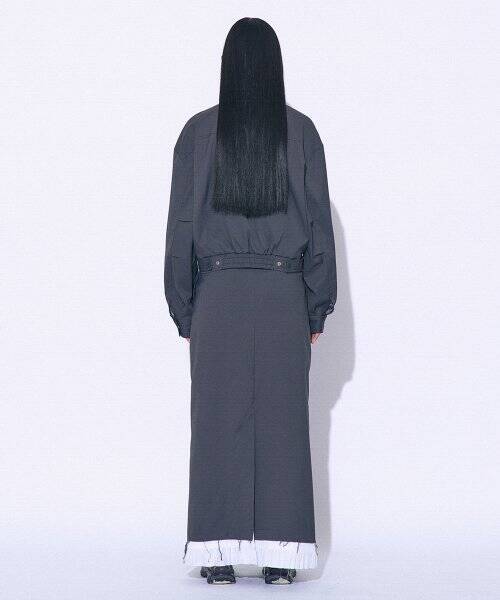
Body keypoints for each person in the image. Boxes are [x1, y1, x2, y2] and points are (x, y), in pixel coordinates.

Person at [164, 17, 336, 585]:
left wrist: (185, 307)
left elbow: (181, 226)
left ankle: (216, 557)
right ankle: (282, 560)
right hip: (284, 297)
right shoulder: (301, 132)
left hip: (217, 298)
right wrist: (316, 305)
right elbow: (318, 225)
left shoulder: (197, 133)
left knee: (216, 422)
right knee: (285, 424)